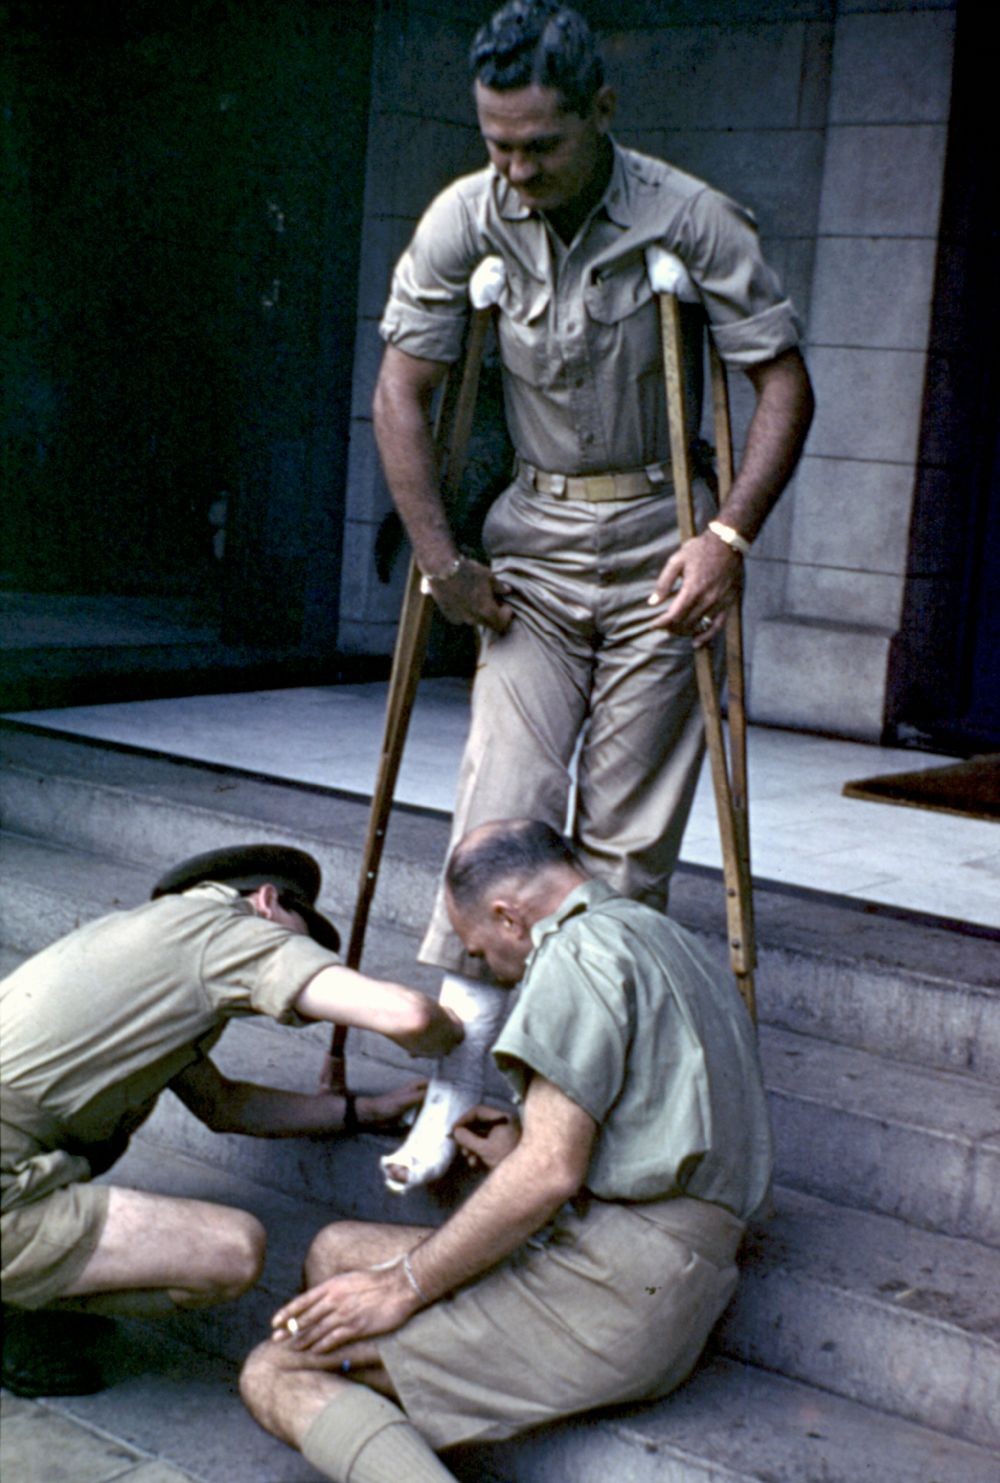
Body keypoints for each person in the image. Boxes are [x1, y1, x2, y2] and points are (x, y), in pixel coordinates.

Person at [374, 0, 812, 1192]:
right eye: (495, 143)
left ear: (601, 114)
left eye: (539, 147)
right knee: (494, 823)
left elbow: (780, 384)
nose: (513, 171)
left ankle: (573, 1118)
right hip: (528, 555)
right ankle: (456, 1090)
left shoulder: (689, 216)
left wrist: (727, 536)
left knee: (620, 854)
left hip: (663, 545)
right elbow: (400, 394)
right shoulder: (467, 216)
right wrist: (442, 561)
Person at [239, 818, 773, 1483]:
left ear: (509, 916)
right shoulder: (663, 936)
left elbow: (550, 1171)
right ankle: (386, 1431)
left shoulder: (573, 955)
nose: (492, 968)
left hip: (619, 1291)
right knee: (334, 1250)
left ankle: (381, 1421)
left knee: (276, 1369)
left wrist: (405, 1285)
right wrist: (521, 1148)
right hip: (666, 1264)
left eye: (481, 949)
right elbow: (650, 1133)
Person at [0, 843, 463, 1398]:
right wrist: (465, 1040)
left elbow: (226, 1106)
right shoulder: (228, 932)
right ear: (267, 902)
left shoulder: (158, 941)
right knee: (232, 1252)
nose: (298, 955)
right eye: (299, 939)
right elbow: (409, 1017)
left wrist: (360, 1111)